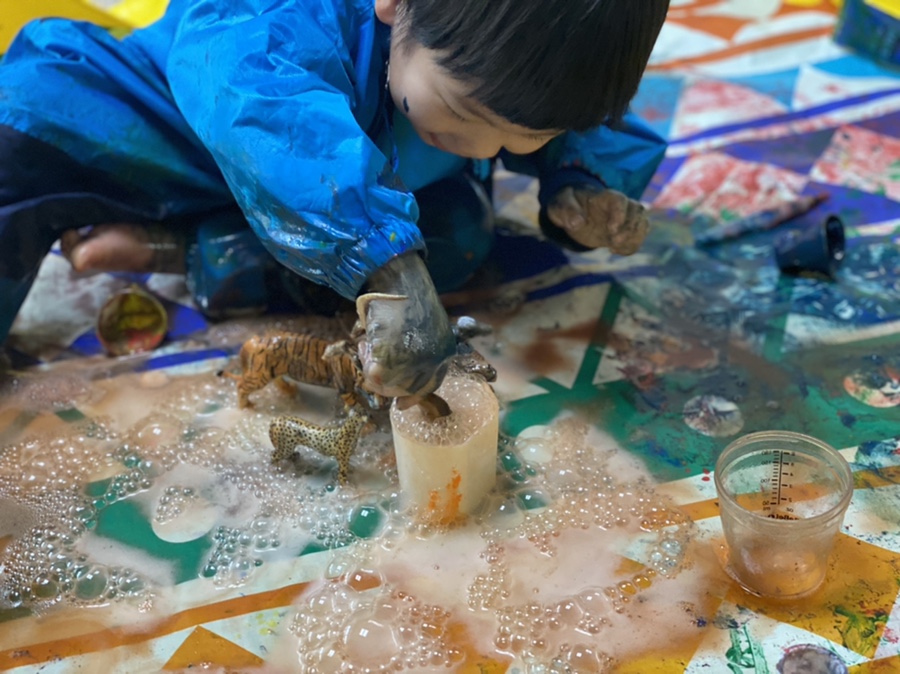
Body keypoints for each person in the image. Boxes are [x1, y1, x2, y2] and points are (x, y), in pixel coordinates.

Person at [0, 0, 669, 403]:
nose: (485, 150)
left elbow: (587, 121)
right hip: (174, 134)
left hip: (341, 211)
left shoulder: (494, 72)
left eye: (520, 138)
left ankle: (184, 249)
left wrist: (581, 184)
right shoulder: (274, 15)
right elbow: (256, 103)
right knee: (26, 105)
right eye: (466, 114)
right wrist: (387, 265)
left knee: (460, 235)